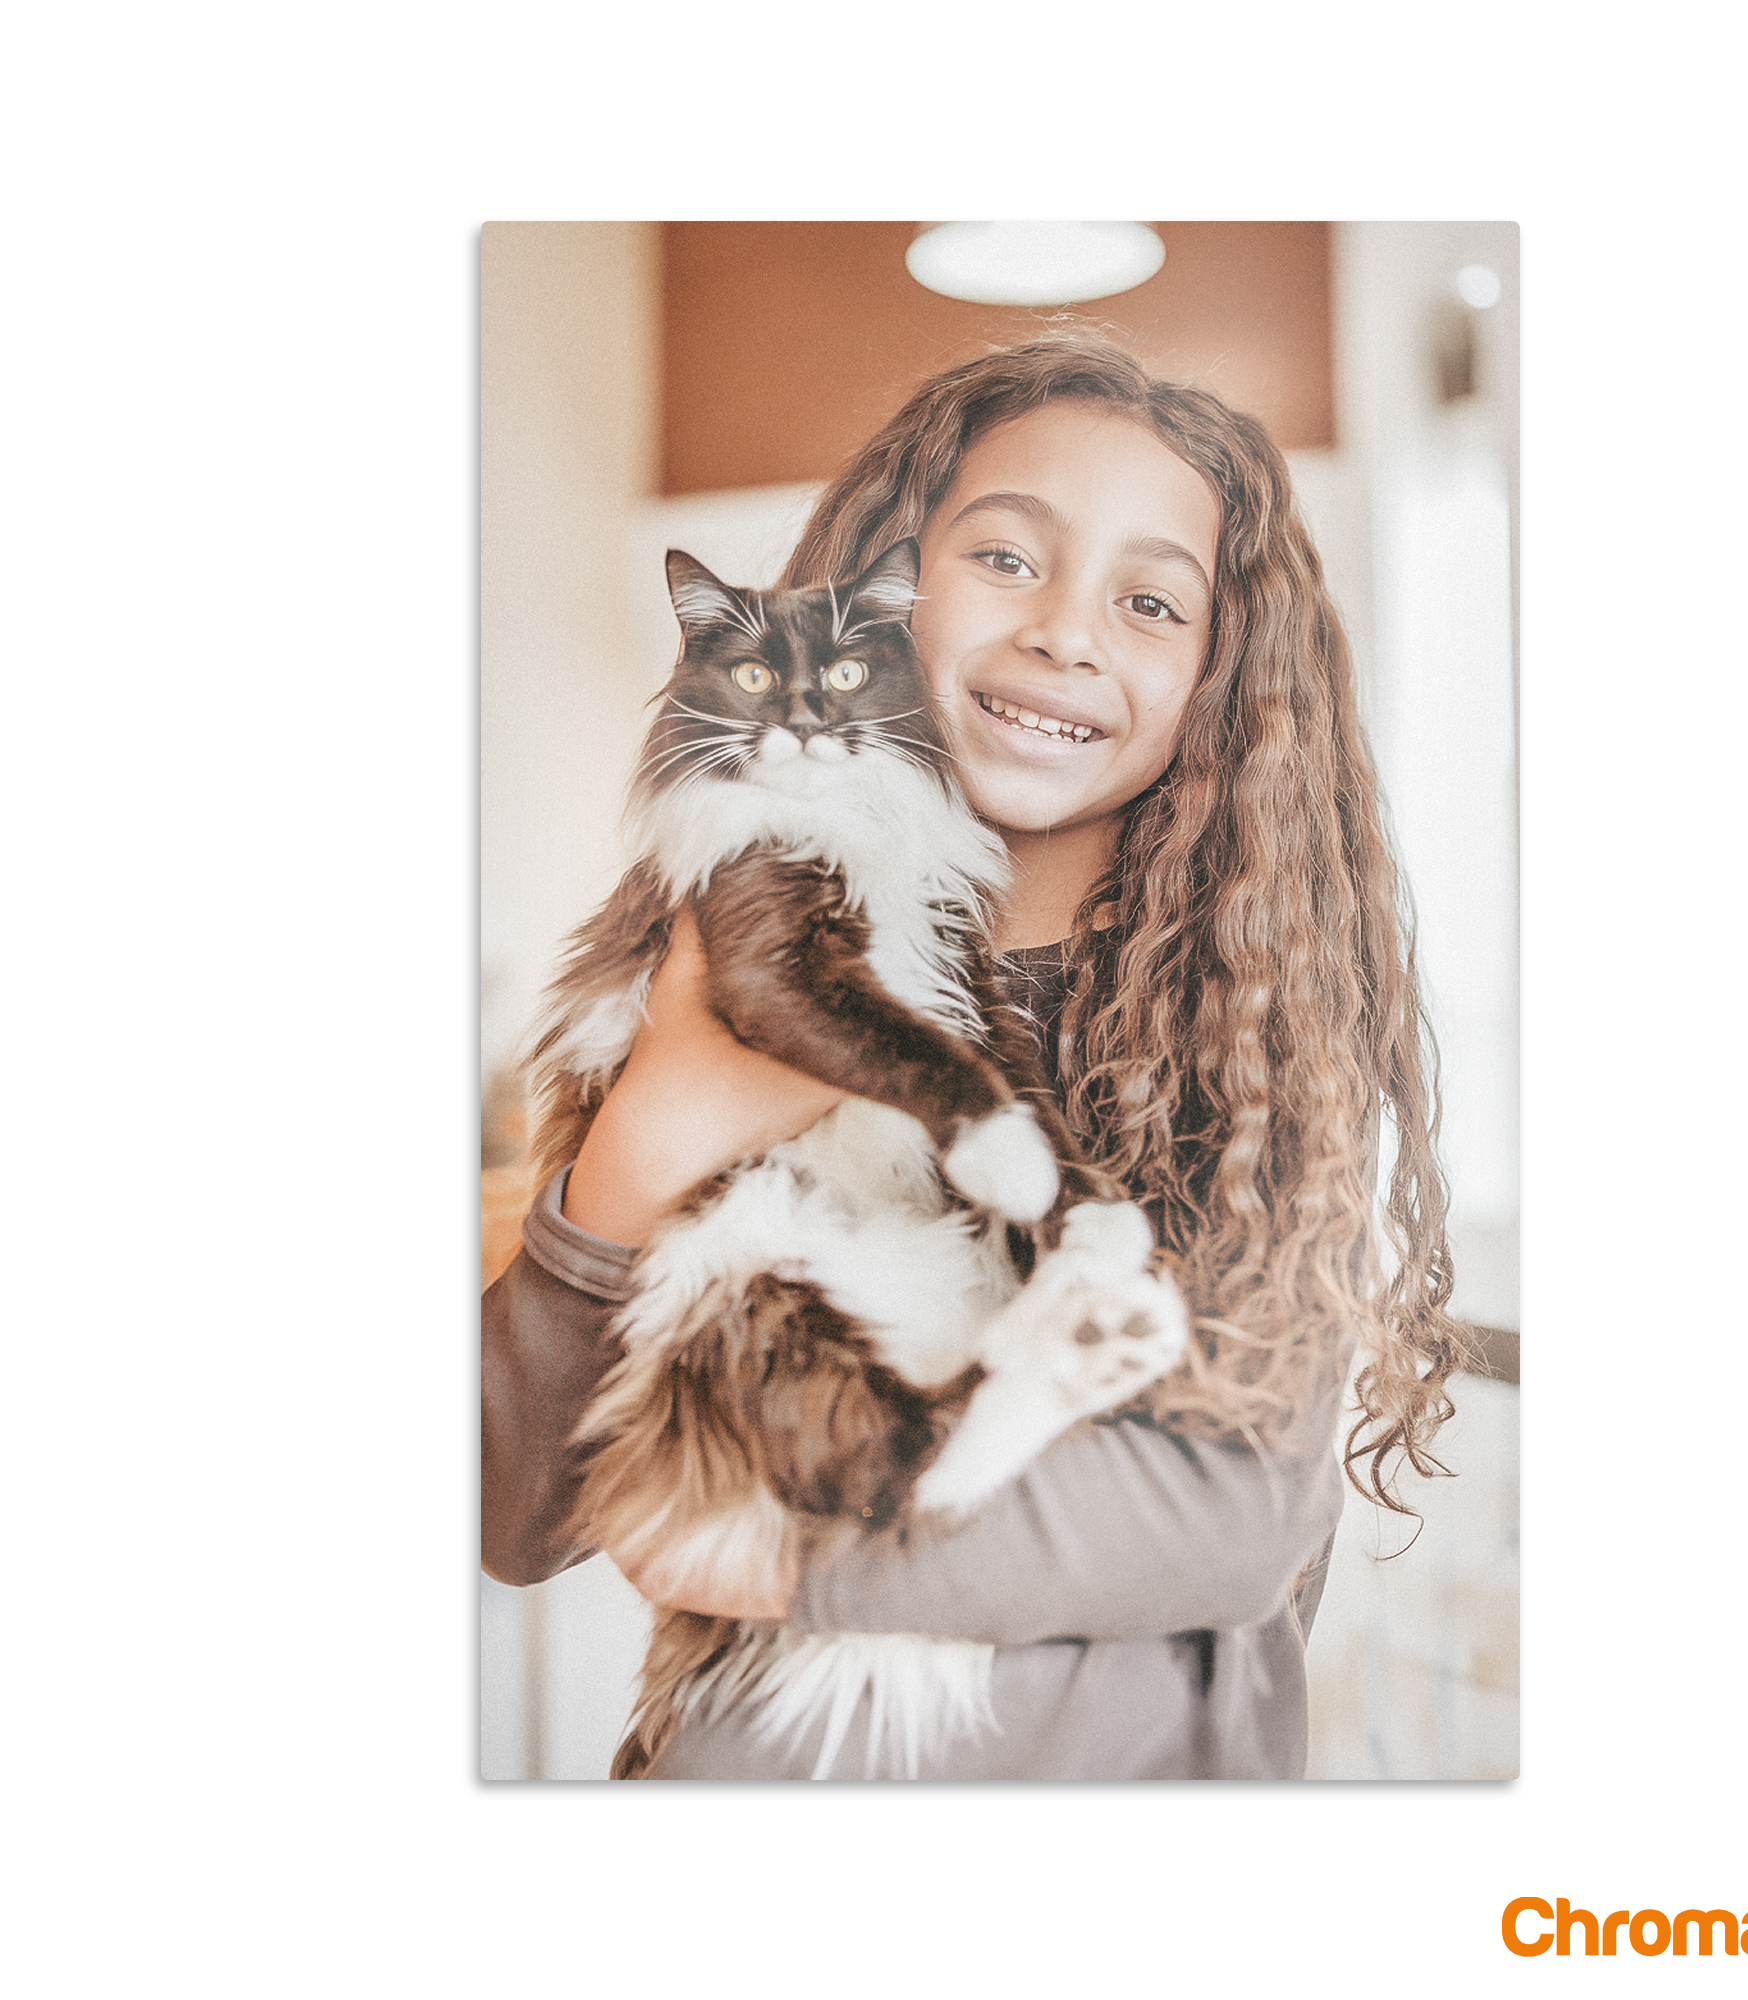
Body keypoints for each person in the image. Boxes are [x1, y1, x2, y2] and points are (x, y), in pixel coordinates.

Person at [481, 335, 1462, 1781]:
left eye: (1147, 600)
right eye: (1006, 559)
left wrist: (776, 1558)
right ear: (885, 593)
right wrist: (644, 1139)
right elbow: (516, 1511)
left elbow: (1227, 1522)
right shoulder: (708, 962)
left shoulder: (1248, 1039)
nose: (1068, 632)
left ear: (1220, 679)